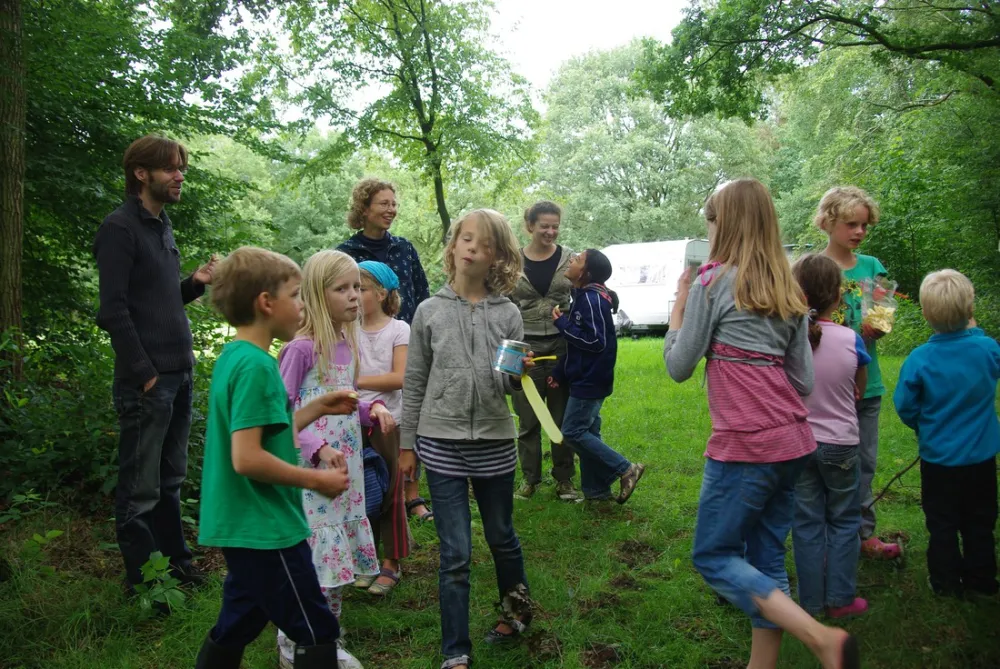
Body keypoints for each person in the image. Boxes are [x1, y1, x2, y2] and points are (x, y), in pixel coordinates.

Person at [665, 179, 860, 669]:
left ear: (724, 224)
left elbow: (678, 365)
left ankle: (820, 638)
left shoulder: (712, 281)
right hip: (795, 443)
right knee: (767, 555)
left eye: (710, 220)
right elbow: (804, 380)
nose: (707, 230)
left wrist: (678, 310)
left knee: (712, 556)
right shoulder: (788, 291)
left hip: (746, 447)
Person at [194, 246, 359, 669]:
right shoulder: (256, 368)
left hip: (243, 525)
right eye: (297, 295)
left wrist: (317, 408)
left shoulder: (236, 357)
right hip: (265, 526)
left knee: (240, 620)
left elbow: (270, 436)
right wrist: (316, 481)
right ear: (266, 303)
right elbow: (247, 459)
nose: (304, 305)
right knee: (316, 629)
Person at [399, 209, 533, 669]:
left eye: (485, 242)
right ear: (453, 246)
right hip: (441, 443)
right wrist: (406, 445)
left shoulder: (509, 313)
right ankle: (455, 649)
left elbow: (507, 386)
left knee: (501, 535)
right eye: (466, 238)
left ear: (497, 255)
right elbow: (414, 381)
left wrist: (518, 376)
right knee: (454, 552)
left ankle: (516, 614)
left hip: (495, 440)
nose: (473, 247)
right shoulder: (428, 311)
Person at [94, 134, 217, 594]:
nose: (179, 175)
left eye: (181, 167)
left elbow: (160, 301)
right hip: (147, 382)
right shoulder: (119, 229)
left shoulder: (160, 226)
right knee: (140, 489)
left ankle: (177, 570)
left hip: (178, 374)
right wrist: (144, 372)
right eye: (170, 168)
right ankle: (147, 586)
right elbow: (114, 310)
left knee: (169, 481)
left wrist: (195, 283)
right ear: (141, 174)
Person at [276, 250, 394, 668]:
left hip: (346, 474)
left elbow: (343, 403)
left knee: (335, 560)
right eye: (341, 288)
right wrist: (316, 448)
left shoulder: (347, 345)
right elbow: (281, 413)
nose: (354, 297)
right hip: (312, 474)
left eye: (357, 288)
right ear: (315, 293)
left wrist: (371, 410)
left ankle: (327, 639)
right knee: (314, 560)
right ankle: (295, 647)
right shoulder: (301, 349)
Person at [894, 269, 999, 598]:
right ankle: (981, 583)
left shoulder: (920, 358)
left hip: (938, 460)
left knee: (942, 523)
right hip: (981, 459)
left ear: (925, 314)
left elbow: (905, 405)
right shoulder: (988, 349)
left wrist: (923, 424)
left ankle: (945, 582)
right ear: (970, 309)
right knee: (980, 522)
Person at [338, 177, 432, 521]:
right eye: (383, 203)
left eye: (394, 203)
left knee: (409, 415)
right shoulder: (345, 253)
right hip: (360, 337)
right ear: (364, 208)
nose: (391, 209)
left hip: (404, 338)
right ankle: (371, 492)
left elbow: (421, 294)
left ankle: (412, 495)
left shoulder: (404, 248)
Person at [816, 187, 901, 560]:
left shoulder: (872, 266)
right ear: (828, 222)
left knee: (863, 463)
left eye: (864, 225)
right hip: (824, 387)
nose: (860, 232)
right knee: (823, 464)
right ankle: (825, 533)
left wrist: (877, 325)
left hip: (868, 386)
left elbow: (885, 318)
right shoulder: (814, 269)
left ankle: (864, 535)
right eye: (851, 224)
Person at [791, 254, 871, 618]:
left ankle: (810, 602)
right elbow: (860, 391)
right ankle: (840, 599)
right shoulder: (851, 339)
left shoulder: (789, 343)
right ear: (838, 296)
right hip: (841, 444)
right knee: (843, 520)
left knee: (806, 523)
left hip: (800, 445)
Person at [550, 249, 644, 504]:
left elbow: (595, 341)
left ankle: (625, 468)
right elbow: (578, 344)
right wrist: (560, 371)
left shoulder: (592, 299)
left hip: (590, 379)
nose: (571, 260)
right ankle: (597, 493)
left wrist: (563, 325)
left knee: (572, 432)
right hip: (585, 376)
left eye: (577, 259)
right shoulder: (583, 296)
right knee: (589, 431)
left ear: (586, 273)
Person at [510, 201, 579, 501]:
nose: (550, 231)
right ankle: (529, 479)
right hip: (523, 346)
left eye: (555, 226)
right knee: (527, 418)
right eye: (544, 226)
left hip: (562, 346)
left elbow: (585, 292)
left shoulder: (569, 259)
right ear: (530, 226)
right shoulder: (512, 261)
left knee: (560, 416)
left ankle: (564, 479)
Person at [353, 260, 411, 595]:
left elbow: (398, 378)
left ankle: (393, 561)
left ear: (381, 292)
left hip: (389, 422)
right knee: (362, 492)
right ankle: (368, 559)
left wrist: (355, 380)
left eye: (359, 288)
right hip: (352, 417)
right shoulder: (347, 328)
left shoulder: (398, 329)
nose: (354, 295)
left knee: (390, 492)